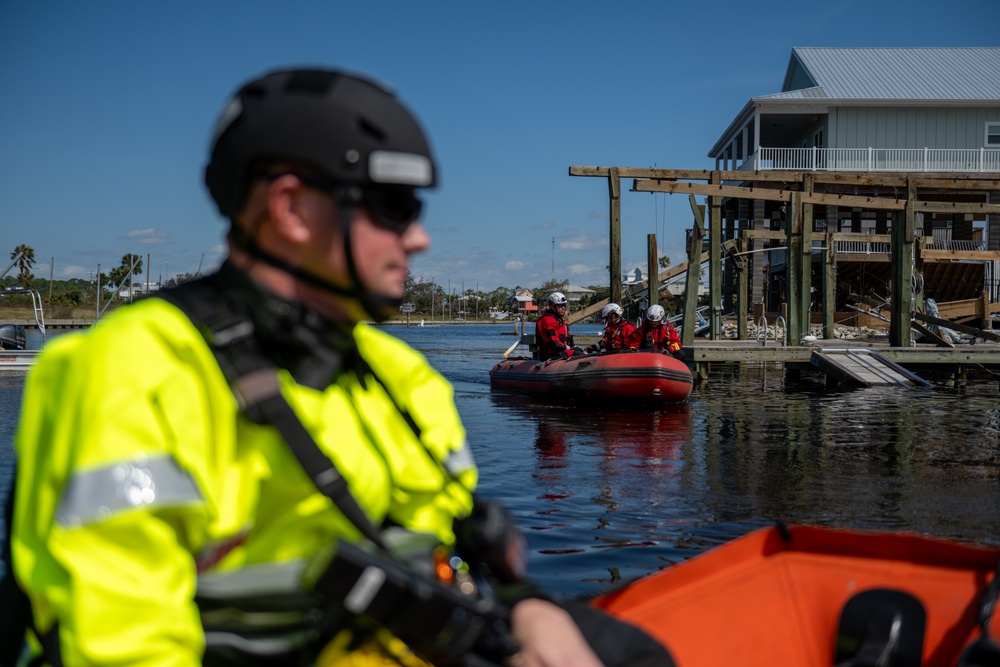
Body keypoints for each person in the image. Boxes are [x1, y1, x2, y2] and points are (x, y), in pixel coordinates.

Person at [2, 67, 672, 667]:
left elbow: (449, 548)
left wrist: (526, 606)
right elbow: (117, 637)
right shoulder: (132, 371)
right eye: (394, 207)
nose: (420, 236)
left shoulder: (396, 374)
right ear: (291, 208)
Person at [534, 291, 574, 361]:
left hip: (560, 353)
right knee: (577, 353)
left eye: (564, 305)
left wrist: (572, 347)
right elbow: (553, 344)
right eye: (560, 306)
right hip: (550, 355)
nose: (563, 308)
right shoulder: (548, 321)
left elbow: (568, 341)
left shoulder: (561, 321)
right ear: (552, 306)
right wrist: (569, 348)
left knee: (581, 352)